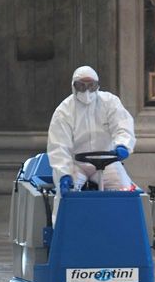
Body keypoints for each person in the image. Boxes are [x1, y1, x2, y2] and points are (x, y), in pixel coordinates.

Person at [47, 65, 136, 223]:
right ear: (74, 86)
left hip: (108, 161)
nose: (86, 91)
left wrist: (122, 145)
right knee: (66, 195)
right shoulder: (64, 111)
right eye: (81, 86)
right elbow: (59, 145)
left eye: (91, 86)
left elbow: (123, 125)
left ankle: (123, 231)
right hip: (76, 163)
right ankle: (62, 232)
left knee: (124, 190)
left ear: (97, 85)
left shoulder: (110, 102)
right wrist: (64, 174)